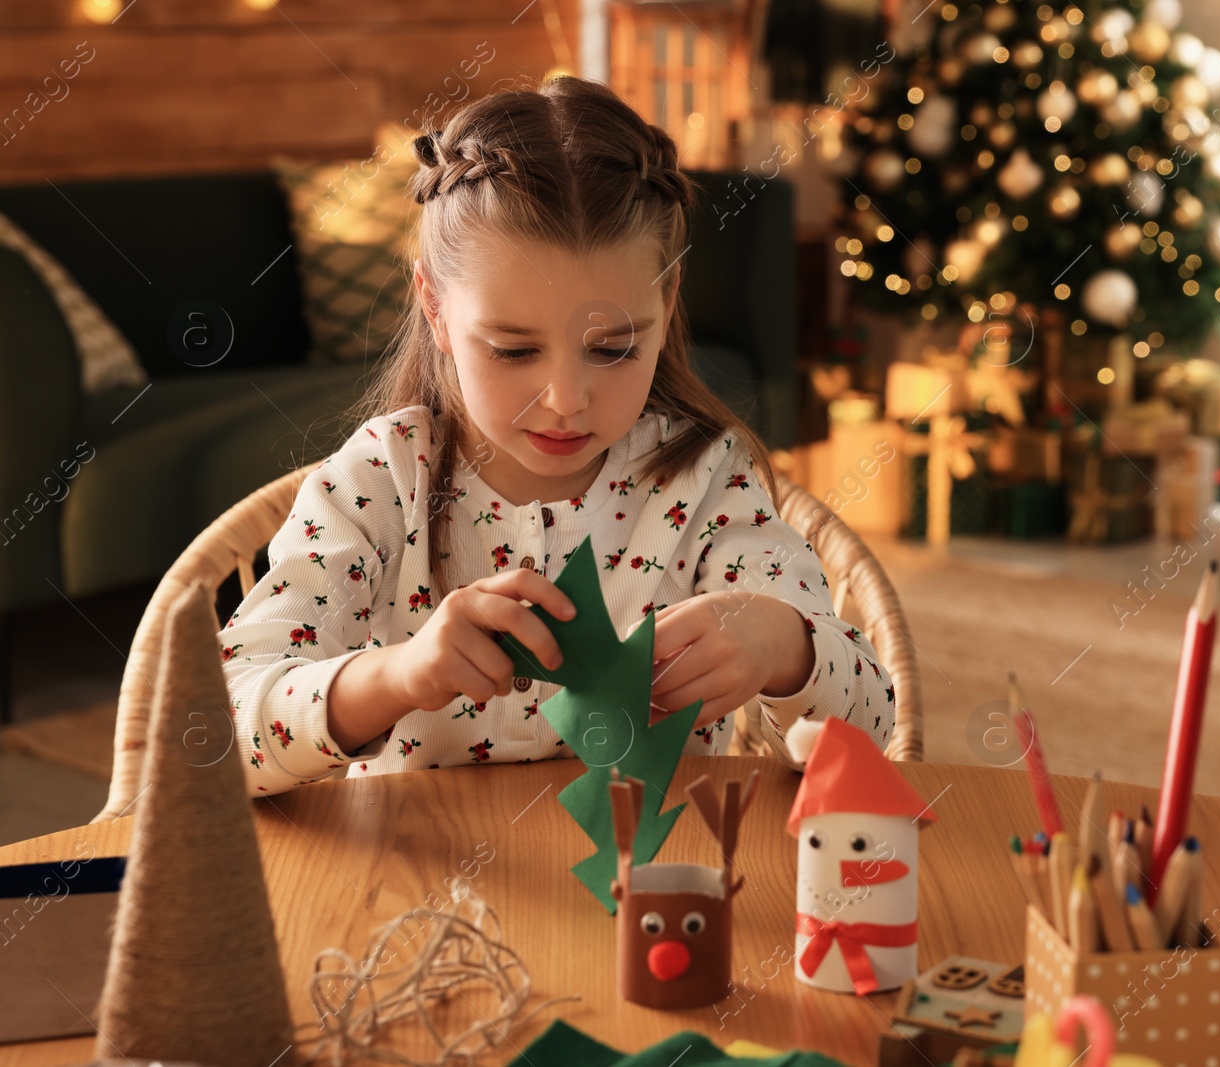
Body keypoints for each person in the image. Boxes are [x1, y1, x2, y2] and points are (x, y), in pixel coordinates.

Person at [219, 77, 895, 796]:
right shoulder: (379, 482)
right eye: (513, 351)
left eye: (613, 349)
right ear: (436, 309)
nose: (566, 402)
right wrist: (398, 674)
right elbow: (216, 734)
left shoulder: (707, 482)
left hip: (651, 892)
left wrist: (783, 645)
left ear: (666, 305)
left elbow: (873, 727)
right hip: (415, 892)